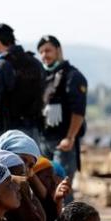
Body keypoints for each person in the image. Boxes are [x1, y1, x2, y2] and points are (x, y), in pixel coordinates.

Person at [37, 35, 88, 186]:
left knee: (62, 186)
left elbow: (78, 111)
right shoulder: (44, 77)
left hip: (63, 142)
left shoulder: (73, 76)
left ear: (58, 51)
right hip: (43, 141)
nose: (44, 55)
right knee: (45, 189)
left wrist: (70, 137)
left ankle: (66, 211)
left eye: (48, 50)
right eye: (41, 52)